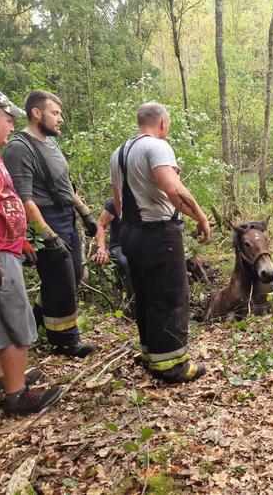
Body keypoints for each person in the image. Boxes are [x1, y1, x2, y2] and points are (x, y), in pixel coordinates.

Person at [0, 89, 62, 414]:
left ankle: (1, 379)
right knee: (13, 320)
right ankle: (17, 395)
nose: (10, 127)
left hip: (0, 248)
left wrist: (20, 238)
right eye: (8, 120)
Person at [110, 102, 210, 383]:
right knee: (170, 296)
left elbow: (118, 203)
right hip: (158, 233)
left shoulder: (119, 153)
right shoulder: (157, 147)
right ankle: (173, 364)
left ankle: (150, 353)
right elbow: (174, 189)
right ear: (162, 122)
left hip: (130, 232)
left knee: (145, 295)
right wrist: (200, 217)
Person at [2, 90, 96, 358]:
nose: (61, 119)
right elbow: (23, 198)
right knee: (61, 282)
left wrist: (85, 213)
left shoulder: (51, 143)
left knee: (74, 276)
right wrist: (47, 234)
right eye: (55, 113)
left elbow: (65, 185)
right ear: (36, 113)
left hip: (66, 216)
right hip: (44, 220)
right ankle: (65, 341)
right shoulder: (20, 148)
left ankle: (41, 318)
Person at [92, 198, 134, 298]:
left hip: (139, 244)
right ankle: (134, 303)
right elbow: (100, 225)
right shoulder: (116, 201)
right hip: (119, 246)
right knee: (130, 263)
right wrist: (101, 248)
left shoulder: (146, 198)